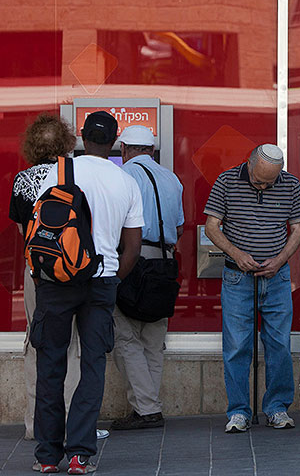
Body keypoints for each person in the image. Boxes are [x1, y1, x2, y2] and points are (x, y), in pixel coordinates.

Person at [31, 111, 143, 473]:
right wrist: (112, 277)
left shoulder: (56, 172)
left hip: (55, 284)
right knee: (93, 366)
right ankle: (80, 454)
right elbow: (133, 246)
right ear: (114, 142)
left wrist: (45, 277)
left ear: (81, 136)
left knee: (50, 365)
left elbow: (38, 233)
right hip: (101, 282)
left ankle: (48, 457)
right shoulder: (126, 181)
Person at [9, 113, 111, 443]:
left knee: (39, 343)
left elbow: (23, 230)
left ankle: (35, 425)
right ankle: (73, 426)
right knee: (75, 347)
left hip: (37, 271)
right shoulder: (73, 174)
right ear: (68, 141)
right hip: (75, 266)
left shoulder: (23, 181)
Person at [204, 144, 300, 433]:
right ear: (248, 165)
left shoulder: (290, 184)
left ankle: (277, 408)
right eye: (259, 180)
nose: (264, 186)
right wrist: (236, 254)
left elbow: (297, 228)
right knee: (237, 346)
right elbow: (212, 226)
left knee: (279, 345)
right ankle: (238, 412)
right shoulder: (226, 181)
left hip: (276, 277)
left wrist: (280, 260)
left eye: (270, 182)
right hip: (238, 277)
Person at [110, 125, 184, 431]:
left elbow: (114, 225)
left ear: (125, 149)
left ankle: (148, 409)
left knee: (125, 338)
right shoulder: (172, 178)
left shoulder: (122, 175)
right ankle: (147, 408)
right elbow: (178, 228)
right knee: (153, 341)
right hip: (164, 265)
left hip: (131, 261)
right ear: (152, 150)